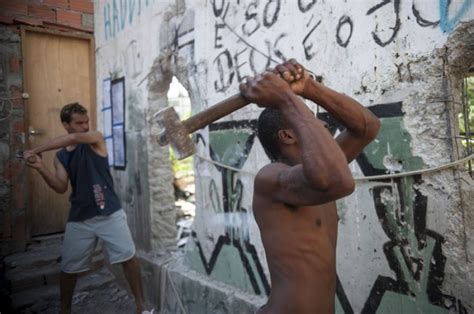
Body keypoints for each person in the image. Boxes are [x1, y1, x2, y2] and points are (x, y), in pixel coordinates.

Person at [239, 59, 381, 313]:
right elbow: (339, 182)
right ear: (288, 135)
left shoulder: (319, 171)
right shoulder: (271, 178)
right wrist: (285, 99)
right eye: (310, 120)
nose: (324, 126)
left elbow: (368, 127)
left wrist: (308, 88)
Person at [24, 103, 152, 314]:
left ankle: (141, 307)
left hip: (109, 211)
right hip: (80, 217)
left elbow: (74, 139)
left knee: (129, 258)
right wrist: (40, 167)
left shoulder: (96, 139)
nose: (85, 127)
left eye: (86, 122)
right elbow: (59, 186)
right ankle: (64, 311)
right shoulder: (61, 157)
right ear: (66, 124)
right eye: (79, 123)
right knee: (68, 269)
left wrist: (37, 149)